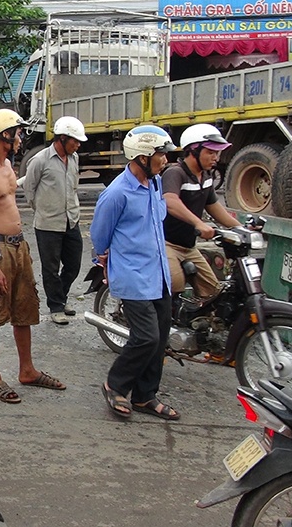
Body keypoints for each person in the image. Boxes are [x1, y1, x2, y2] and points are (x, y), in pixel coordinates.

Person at [0, 109, 66, 404]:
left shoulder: (9, 166)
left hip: (19, 246)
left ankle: (27, 370)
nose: (21, 138)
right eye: (18, 133)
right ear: (4, 136)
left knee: (24, 310)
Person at [90, 124, 180, 421]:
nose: (165, 160)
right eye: (160, 155)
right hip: (133, 276)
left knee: (160, 338)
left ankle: (145, 396)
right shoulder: (117, 193)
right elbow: (100, 235)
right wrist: (103, 259)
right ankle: (114, 384)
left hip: (159, 274)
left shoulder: (154, 184)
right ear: (142, 157)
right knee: (146, 338)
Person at [163, 124, 241, 301]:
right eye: (210, 152)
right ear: (193, 151)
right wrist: (199, 223)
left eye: (217, 153)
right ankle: (163, 324)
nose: (215, 158)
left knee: (213, 292)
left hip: (189, 247)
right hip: (165, 244)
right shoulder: (175, 173)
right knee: (175, 282)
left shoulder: (206, 177)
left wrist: (241, 229)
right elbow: (170, 201)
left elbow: (214, 207)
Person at [23, 116, 87, 324]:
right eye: (74, 141)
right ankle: (56, 306)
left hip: (71, 220)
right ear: (61, 138)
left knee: (74, 264)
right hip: (48, 223)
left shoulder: (75, 158)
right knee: (50, 267)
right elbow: (29, 189)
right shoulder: (40, 160)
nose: (77, 145)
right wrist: (41, 209)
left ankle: (62, 295)